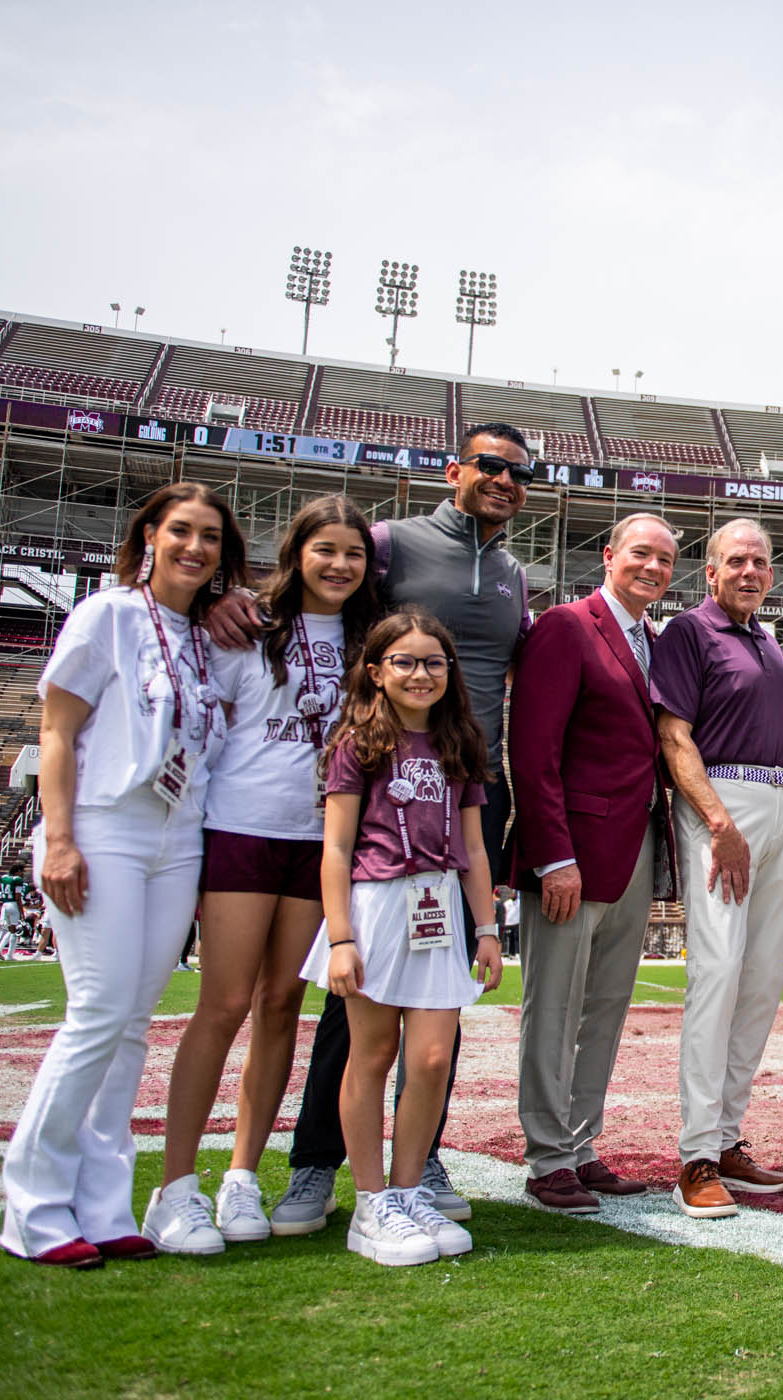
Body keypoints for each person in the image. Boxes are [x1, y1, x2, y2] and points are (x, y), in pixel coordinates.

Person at [262, 425, 537, 1234]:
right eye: (488, 465)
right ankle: (315, 1165)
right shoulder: (390, 544)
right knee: (354, 1013)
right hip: (384, 778)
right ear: (454, 470)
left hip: (465, 776)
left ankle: (421, 1163)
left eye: (519, 473)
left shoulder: (517, 574)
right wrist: (241, 613)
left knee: (436, 1004)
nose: (502, 480)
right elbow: (322, 586)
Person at [0, 481, 246, 1268]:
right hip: (105, 824)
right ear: (148, 536)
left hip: (177, 839)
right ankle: (32, 1210)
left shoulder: (206, 636)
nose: (195, 548)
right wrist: (60, 837)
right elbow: (57, 729)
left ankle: (104, 1208)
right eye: (180, 531)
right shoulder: (105, 615)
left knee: (134, 1024)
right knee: (97, 1014)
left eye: (210, 537)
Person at [143, 496, 378, 1254]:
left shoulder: (369, 642)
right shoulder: (245, 628)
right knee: (224, 1003)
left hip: (322, 841)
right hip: (243, 830)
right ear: (296, 553)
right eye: (325, 550)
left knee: (282, 1006)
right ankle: (176, 1185)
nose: (339, 565)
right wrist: (219, 600)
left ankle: (242, 1174)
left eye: (354, 553)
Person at [299, 610, 503, 1266]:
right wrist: (339, 938)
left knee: (433, 1060)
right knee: (371, 1052)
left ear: (450, 672)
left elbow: (472, 846)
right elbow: (334, 848)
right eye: (406, 662)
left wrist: (487, 929)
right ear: (376, 671)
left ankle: (409, 1188)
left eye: (433, 662)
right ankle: (370, 1202)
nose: (421, 673)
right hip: (377, 904)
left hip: (441, 906)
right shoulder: (357, 741)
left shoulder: (461, 741)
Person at [509, 511, 680, 1213]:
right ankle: (547, 1155)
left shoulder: (653, 639)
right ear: (609, 556)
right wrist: (553, 856)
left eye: (666, 560)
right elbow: (533, 748)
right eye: (641, 554)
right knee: (552, 1007)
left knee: (605, 1008)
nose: (653, 568)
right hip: (573, 851)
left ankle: (580, 1145)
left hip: (635, 845)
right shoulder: (565, 626)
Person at [652, 518, 783, 1218]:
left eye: (761, 563)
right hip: (723, 803)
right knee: (716, 973)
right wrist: (717, 820)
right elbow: (673, 734)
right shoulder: (689, 631)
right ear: (709, 573)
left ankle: (728, 1134)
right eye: (736, 561)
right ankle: (696, 1155)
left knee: (761, 980)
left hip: (780, 803)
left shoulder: (770, 640)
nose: (750, 572)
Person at [0, 862, 30, 959]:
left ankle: (2, 951)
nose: (23, 873)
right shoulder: (17, 880)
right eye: (22, 871)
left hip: (5, 905)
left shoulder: (4, 878)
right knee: (14, 930)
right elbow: (17, 897)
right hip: (13, 905)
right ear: (18, 871)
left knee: (5, 930)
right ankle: (2, 951)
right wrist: (21, 912)